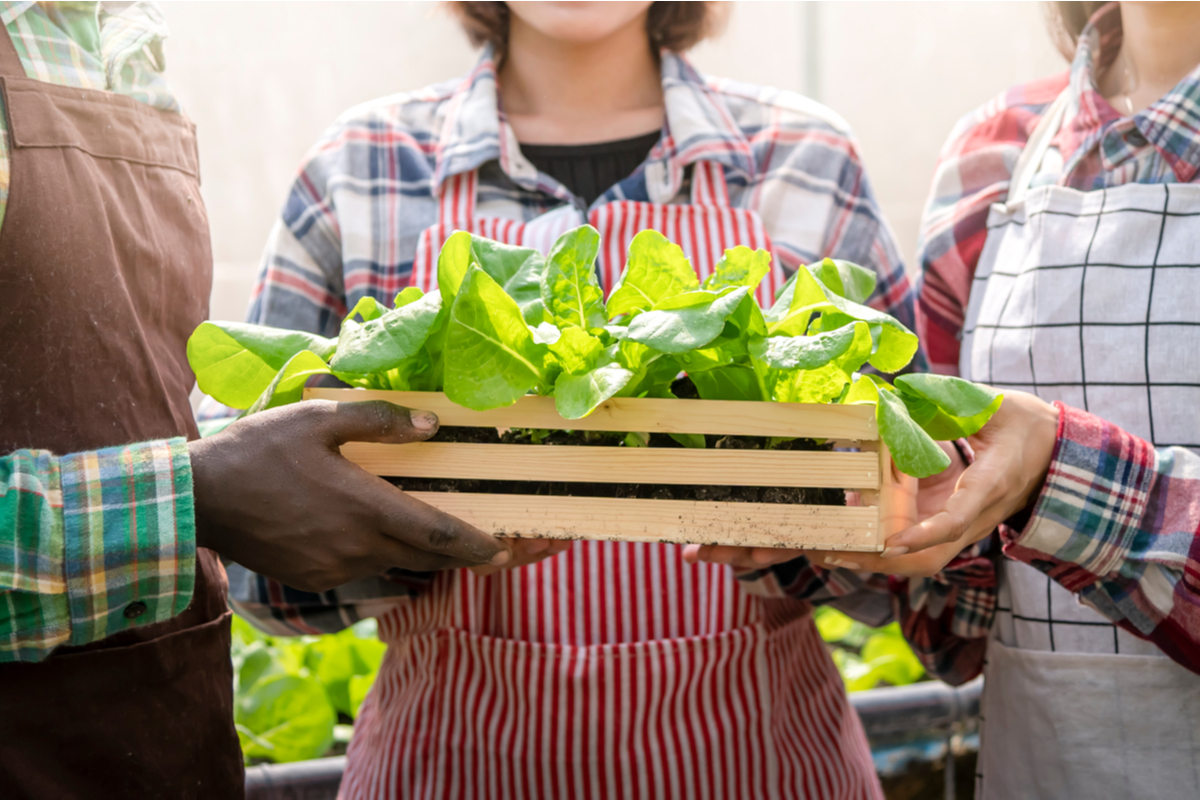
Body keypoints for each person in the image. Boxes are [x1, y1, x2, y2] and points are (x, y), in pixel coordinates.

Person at [228, 2, 996, 797]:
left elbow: (926, 506)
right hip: (448, 761)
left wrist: (802, 532)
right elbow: (253, 562)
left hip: (760, 759)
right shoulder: (360, 166)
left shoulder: (802, 154)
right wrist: (413, 535)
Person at [0, 3, 509, 797]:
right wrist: (192, 498)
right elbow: (218, 485)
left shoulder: (123, 42)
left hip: (168, 745)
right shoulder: (358, 155)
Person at [750, 3, 1200, 798]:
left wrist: (1058, 474)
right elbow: (962, 629)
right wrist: (860, 530)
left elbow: (1039, 475)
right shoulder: (994, 152)